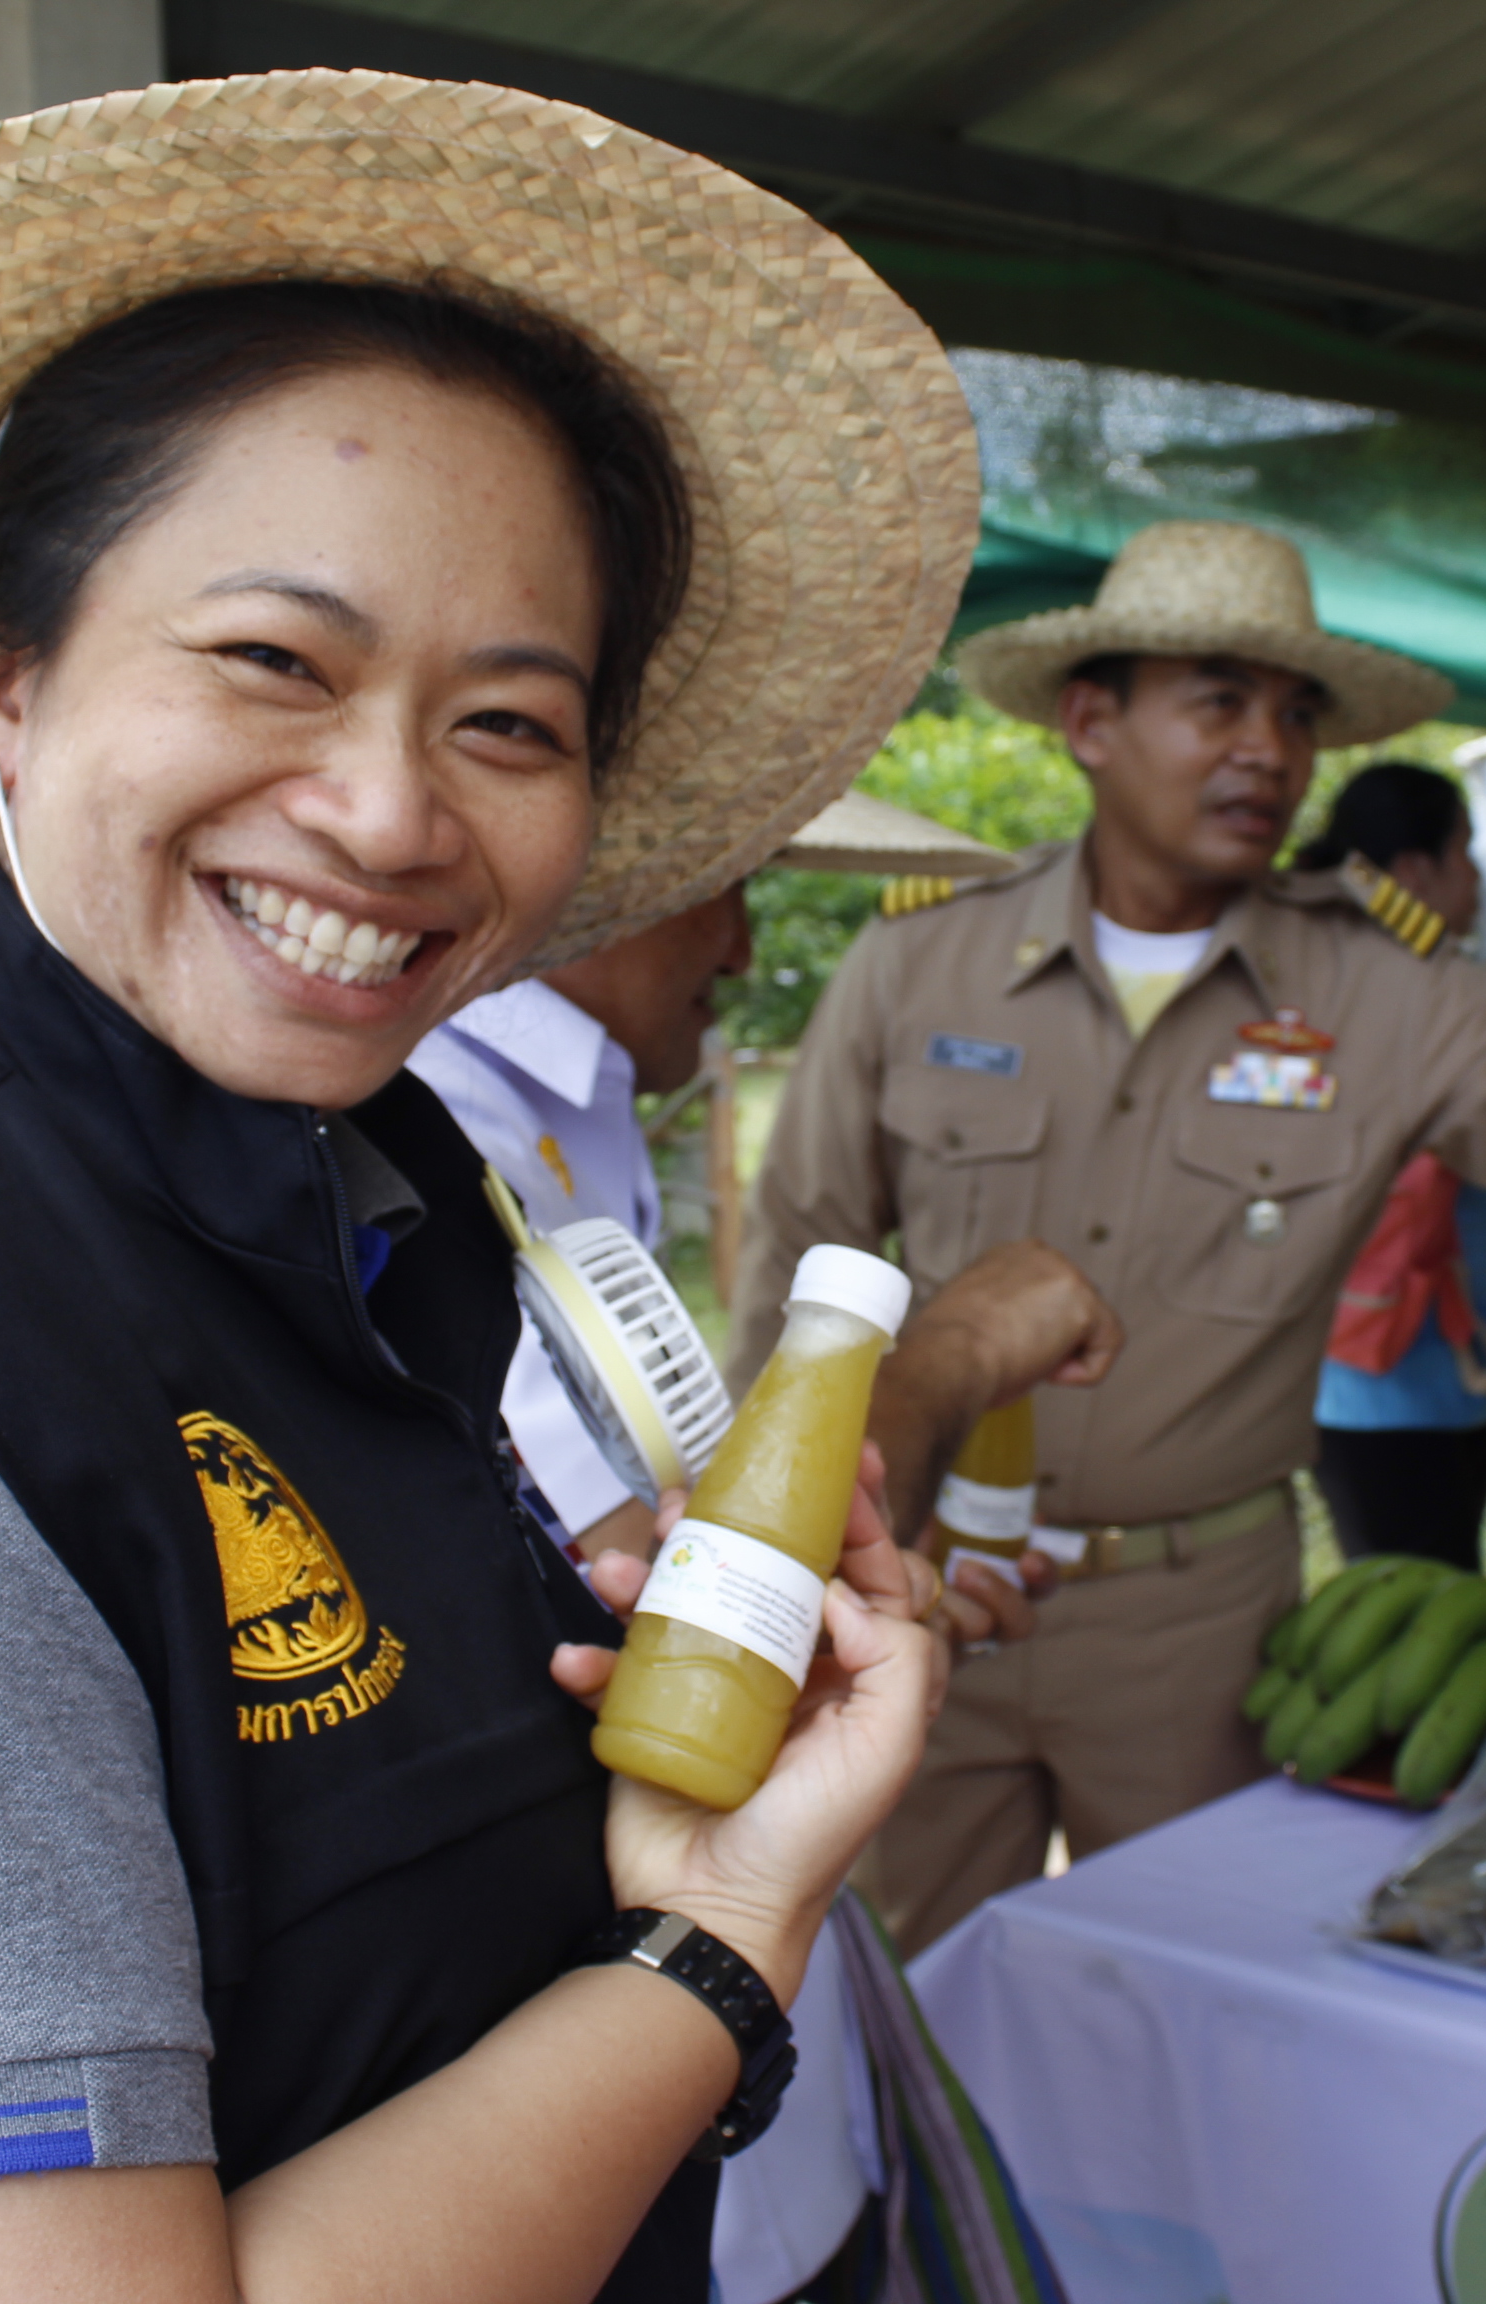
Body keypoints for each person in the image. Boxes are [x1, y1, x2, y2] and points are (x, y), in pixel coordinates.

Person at [0, 69, 984, 2304]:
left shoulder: (358, 1225)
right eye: (273, 661)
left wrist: (628, 1791)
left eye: (510, 721)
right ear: (2, 697)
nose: (391, 815)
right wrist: (725, 1952)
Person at [739, 519, 1486, 1953]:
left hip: (1190, 1621)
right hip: (913, 1599)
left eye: (1293, 713)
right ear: (1091, 719)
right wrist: (788, 1553)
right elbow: (797, 1275)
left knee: (1186, 2024)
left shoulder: (1385, 993)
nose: (1267, 747)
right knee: (903, 2002)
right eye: (1218, 699)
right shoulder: (920, 959)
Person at [412, 803, 1109, 2304]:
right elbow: (666, 1589)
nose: (740, 941)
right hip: (623, 2057)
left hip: (722, 2003)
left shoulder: (576, 1098)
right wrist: (951, 1353)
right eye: (720, 878)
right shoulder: (432, 1134)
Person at [1289, 763, 1486, 1569]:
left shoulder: (1447, 993)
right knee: (1407, 1605)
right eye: (1464, 853)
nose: (1477, 880)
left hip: (1463, 1364)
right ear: (1412, 872)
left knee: (1443, 1578)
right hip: (1379, 1375)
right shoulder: (1337, 994)